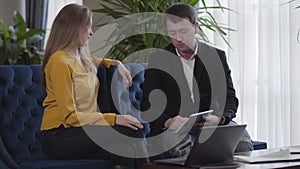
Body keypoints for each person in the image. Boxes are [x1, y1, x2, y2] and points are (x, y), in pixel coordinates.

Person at [141, 3, 253, 157]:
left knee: (243, 143)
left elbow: (230, 98)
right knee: (184, 148)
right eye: (172, 33)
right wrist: (167, 121)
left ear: (196, 27)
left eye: (183, 31)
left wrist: (220, 119)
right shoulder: (158, 59)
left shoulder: (216, 57)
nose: (178, 38)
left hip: (212, 125)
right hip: (174, 129)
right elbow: (147, 104)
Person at [39, 3, 144, 168]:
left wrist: (117, 64)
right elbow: (70, 117)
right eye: (88, 26)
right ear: (74, 28)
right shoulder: (59, 61)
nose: (91, 32)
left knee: (126, 148)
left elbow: (97, 61)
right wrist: (115, 118)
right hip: (58, 135)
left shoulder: (81, 57)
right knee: (129, 129)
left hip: (82, 131)